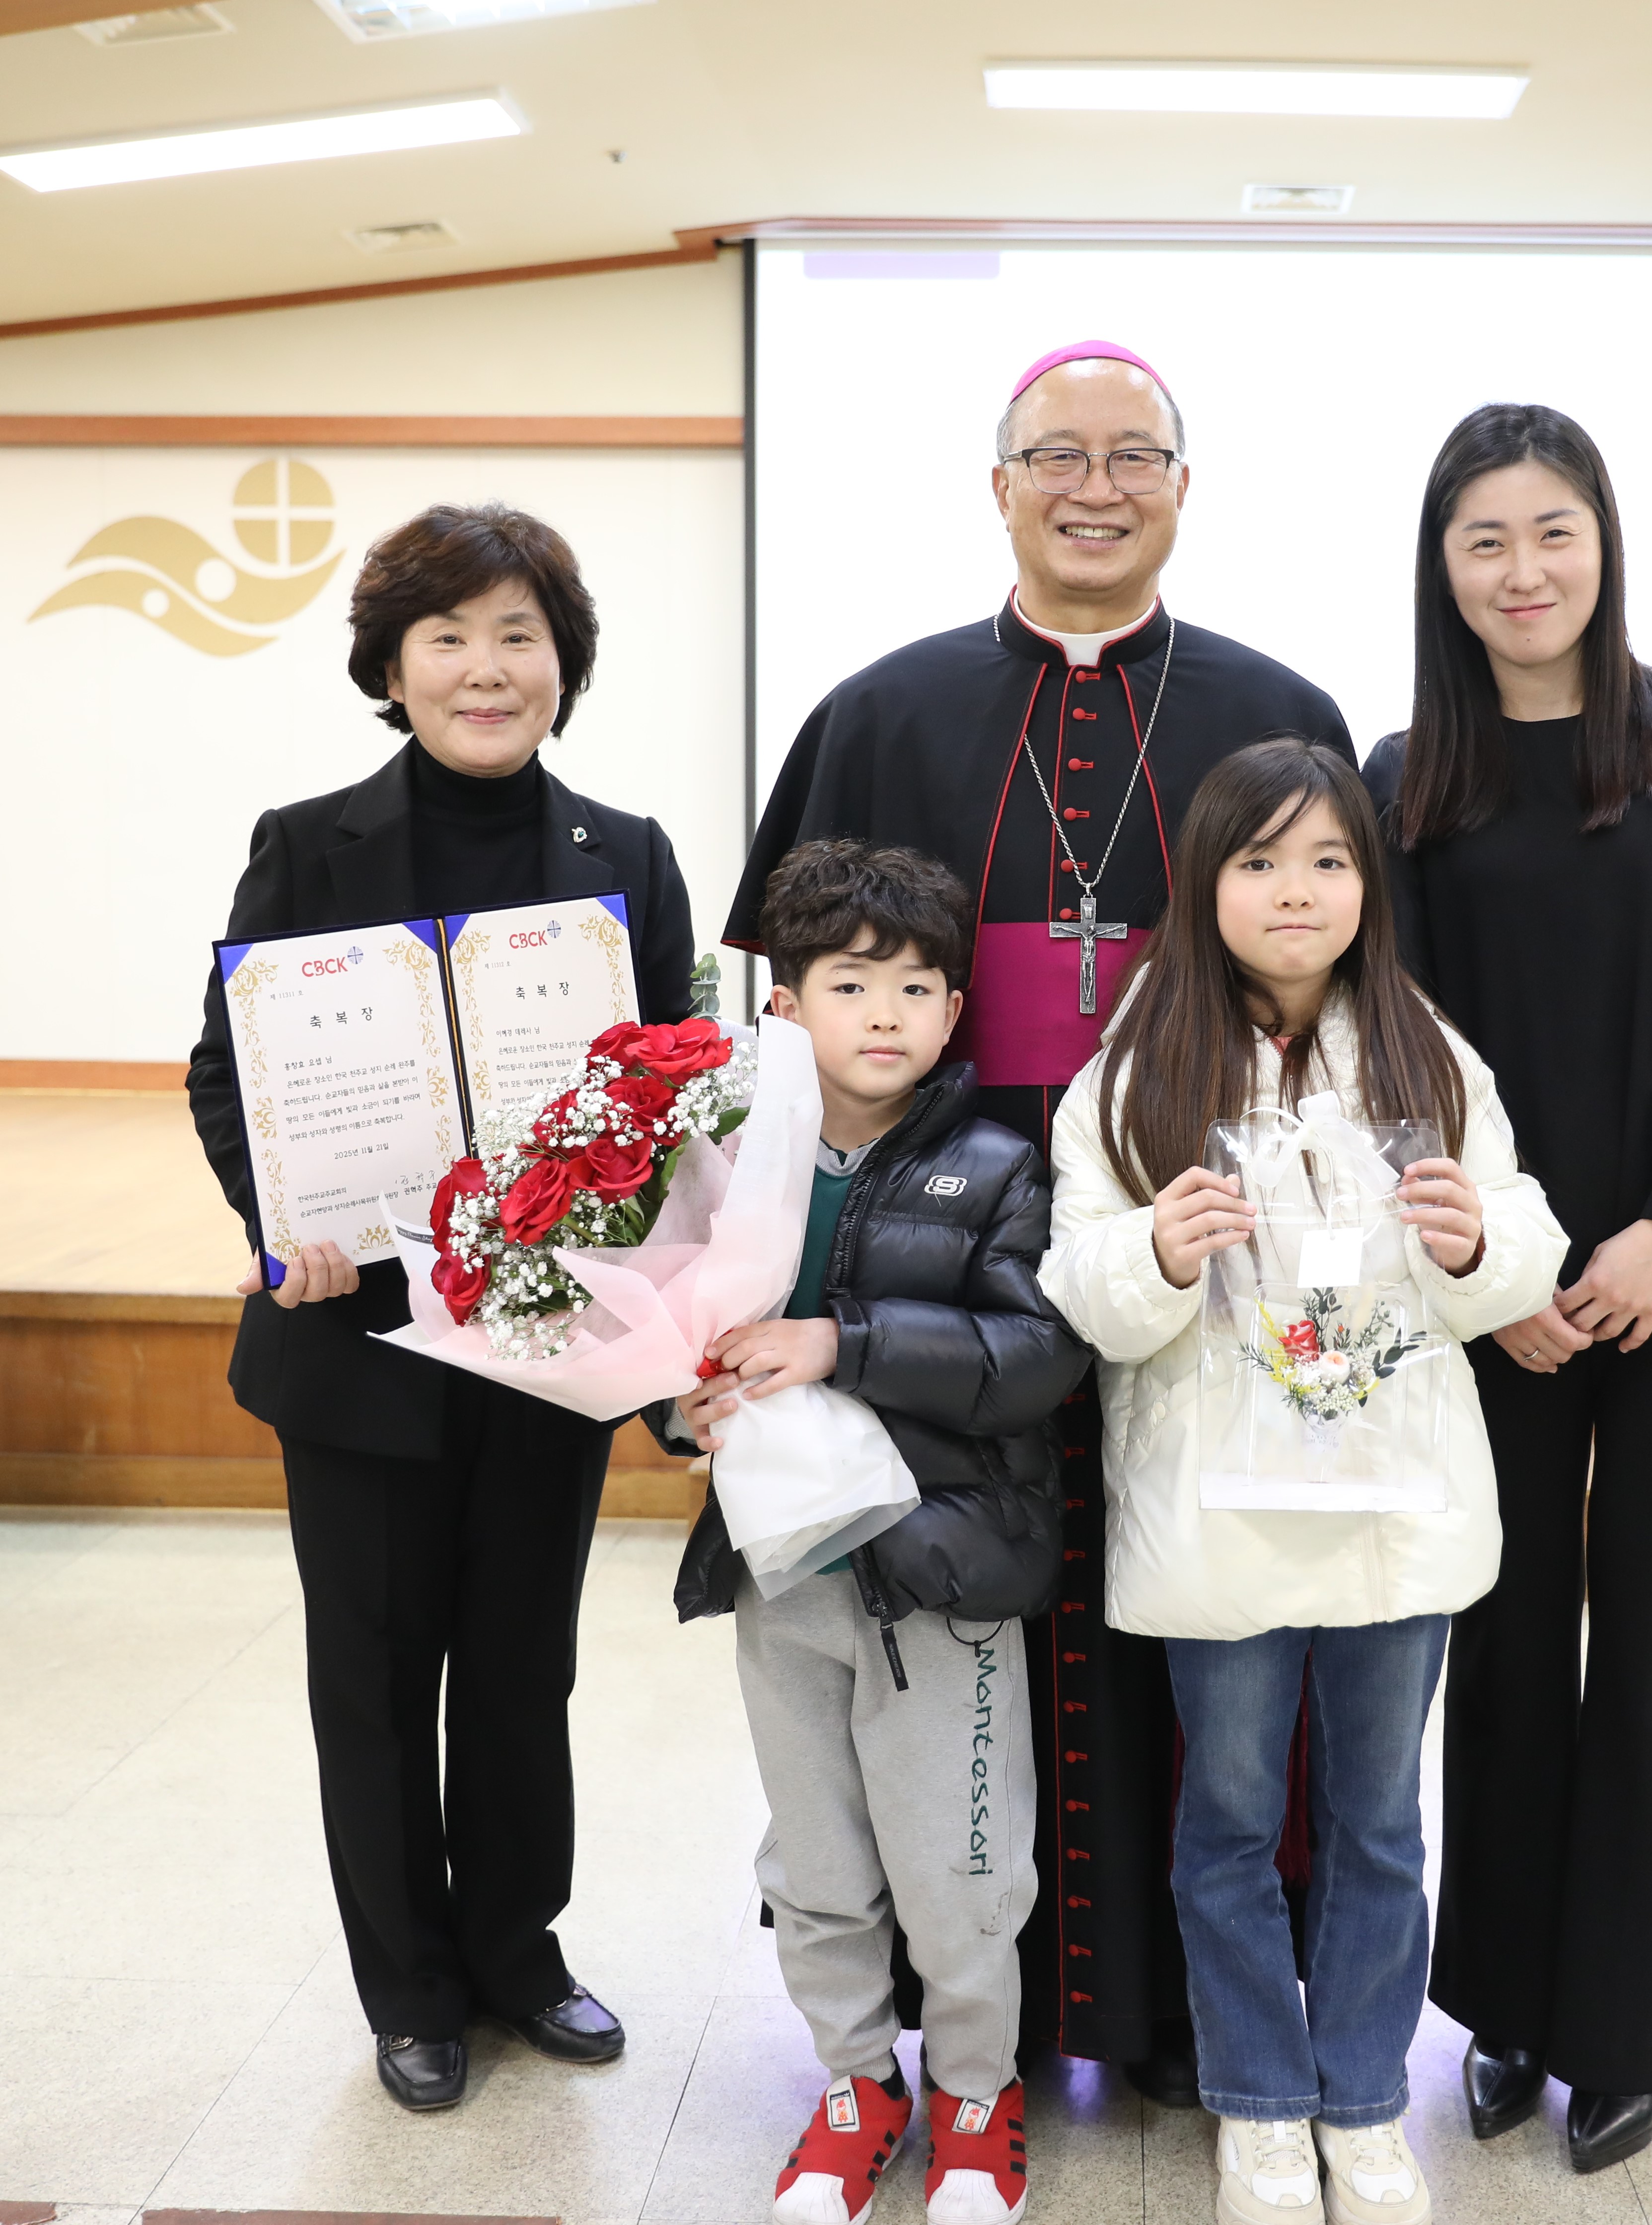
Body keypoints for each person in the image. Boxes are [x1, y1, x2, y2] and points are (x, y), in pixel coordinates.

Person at [724, 340, 1356, 2099]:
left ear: (1180, 483)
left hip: (1193, 1229)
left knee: (1186, 1605)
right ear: (995, 481)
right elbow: (784, 1012)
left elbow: (1342, 964)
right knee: (950, 1607)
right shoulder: (877, 707)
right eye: (1055, 455)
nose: (1095, 485)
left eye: (1131, 455)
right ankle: (947, 2012)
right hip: (941, 1246)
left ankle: (1169, 2006)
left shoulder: (1271, 704)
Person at [1363, 404, 1652, 2173]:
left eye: (1551, 531)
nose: (1522, 570)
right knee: (1495, 1638)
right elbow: (1387, 1042)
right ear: (1443, 570)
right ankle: (1502, 2010)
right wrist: (1503, 1266)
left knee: (1649, 1637)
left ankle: (1629, 2033)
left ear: (1605, 543)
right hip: (1491, 1282)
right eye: (1482, 540)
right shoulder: (1405, 774)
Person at [186, 503, 696, 2111]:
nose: (488, 669)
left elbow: (674, 1091)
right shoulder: (306, 840)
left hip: (540, 1342)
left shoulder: (628, 853)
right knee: (379, 1669)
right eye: (449, 638)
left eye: (519, 635)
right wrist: (293, 1229)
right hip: (359, 1342)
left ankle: (516, 1956)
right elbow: (230, 1072)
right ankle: (407, 1985)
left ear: (566, 661)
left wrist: (630, 1241)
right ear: (391, 668)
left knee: (522, 1661)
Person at [1038, 739, 1567, 2225]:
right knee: (1222, 1820)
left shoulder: (1426, 1054)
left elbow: (1518, 1239)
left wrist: (1475, 1245)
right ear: (1204, 884)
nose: (1295, 890)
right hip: (1223, 1515)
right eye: (1259, 861)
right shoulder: (1135, 1069)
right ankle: (1261, 2103)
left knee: (1379, 1825)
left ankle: (1361, 2100)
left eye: (1327, 860)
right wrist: (1155, 1251)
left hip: (1390, 1512)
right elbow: (1079, 1277)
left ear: (1365, 887)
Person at [668, 839, 1088, 2225]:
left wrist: (839, 1340)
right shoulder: (726, 1170)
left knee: (963, 1867)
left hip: (942, 1577)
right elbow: (662, 1342)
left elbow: (1035, 1355)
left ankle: (977, 2093)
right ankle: (855, 2087)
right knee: (818, 1863)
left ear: (958, 1010)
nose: (889, 1014)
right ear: (784, 1005)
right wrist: (681, 1410)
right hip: (782, 1577)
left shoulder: (998, 1167)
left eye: (920, 986)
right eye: (851, 983)